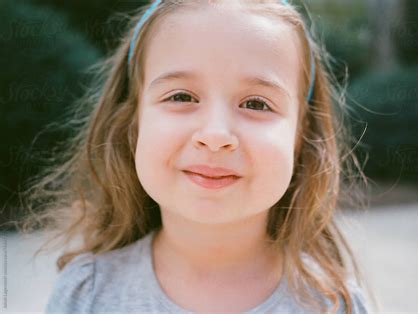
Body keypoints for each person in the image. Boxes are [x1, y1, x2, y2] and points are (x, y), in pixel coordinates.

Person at [20, 0, 375, 313]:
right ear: (132, 124)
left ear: (301, 136)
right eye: (181, 97)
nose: (216, 135)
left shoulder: (332, 304)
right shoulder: (88, 294)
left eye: (256, 104)